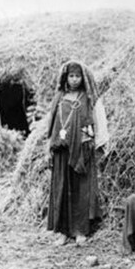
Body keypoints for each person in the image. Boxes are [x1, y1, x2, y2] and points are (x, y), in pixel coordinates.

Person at [46, 60, 108, 245]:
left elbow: (99, 120)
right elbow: (52, 122)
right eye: (71, 76)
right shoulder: (60, 97)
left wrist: (99, 144)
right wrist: (50, 145)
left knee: (81, 189)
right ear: (66, 77)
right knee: (62, 188)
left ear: (83, 78)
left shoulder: (89, 98)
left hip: (82, 149)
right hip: (61, 150)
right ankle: (63, 232)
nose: (74, 80)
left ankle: (80, 231)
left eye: (77, 76)